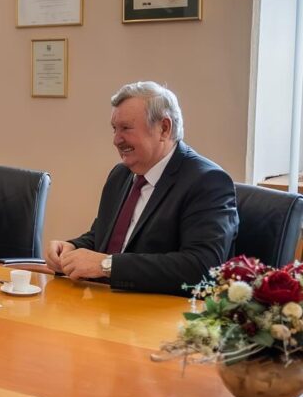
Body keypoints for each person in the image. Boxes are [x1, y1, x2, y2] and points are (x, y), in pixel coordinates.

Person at [45, 81, 238, 295]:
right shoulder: (121, 175)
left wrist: (107, 265)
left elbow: (202, 268)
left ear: (164, 128)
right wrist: (71, 249)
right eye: (114, 129)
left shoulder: (207, 181)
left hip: (160, 311)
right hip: (105, 304)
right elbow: (104, 237)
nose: (116, 140)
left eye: (126, 128)